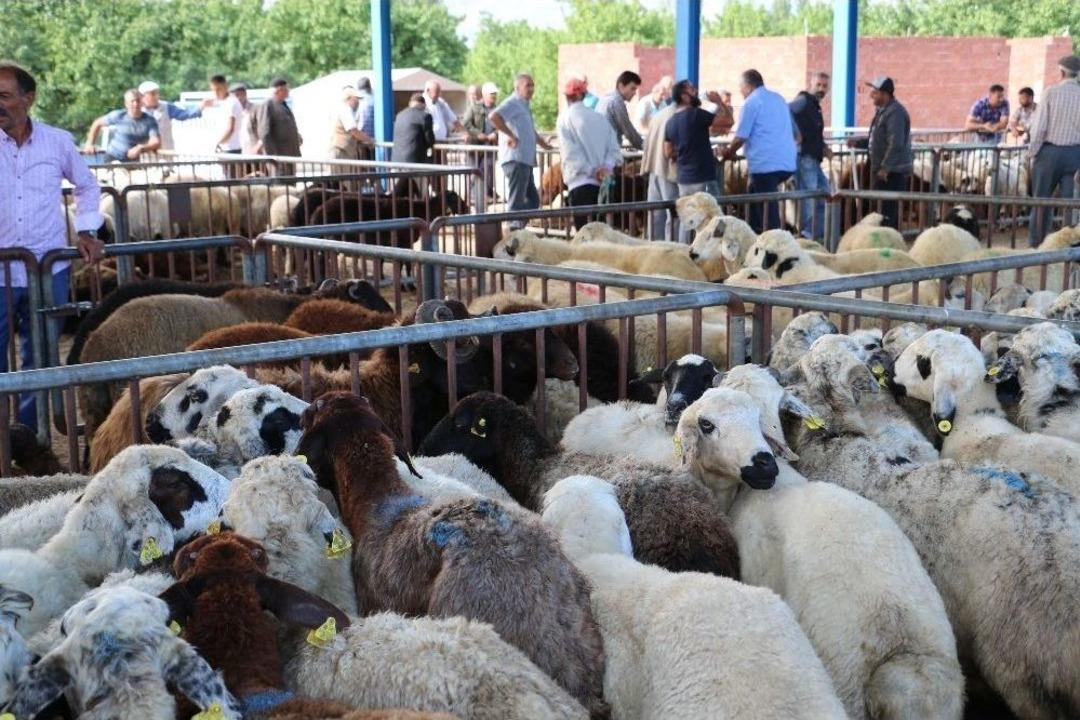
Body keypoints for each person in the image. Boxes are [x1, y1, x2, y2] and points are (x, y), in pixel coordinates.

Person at [1, 62, 104, 428]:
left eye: (5, 96)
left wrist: (87, 230)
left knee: (42, 357)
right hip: (0, 270)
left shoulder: (57, 141)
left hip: (48, 268)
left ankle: (31, 437)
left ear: (29, 99)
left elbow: (87, 185)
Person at [721, 69, 797, 233]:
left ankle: (771, 240)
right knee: (756, 197)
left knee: (766, 207)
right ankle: (758, 234)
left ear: (747, 86)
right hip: (787, 163)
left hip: (765, 165)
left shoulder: (752, 102)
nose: (740, 92)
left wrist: (728, 153)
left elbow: (741, 136)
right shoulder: (778, 98)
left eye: (740, 88)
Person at [663, 79, 734, 243]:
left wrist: (684, 151)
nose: (696, 92)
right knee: (716, 215)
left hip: (684, 179)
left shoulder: (671, 122)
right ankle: (716, 247)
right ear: (684, 96)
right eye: (692, 90)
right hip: (704, 176)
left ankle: (684, 250)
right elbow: (729, 121)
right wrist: (719, 102)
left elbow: (667, 152)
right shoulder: (697, 114)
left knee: (687, 218)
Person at [846, 76, 913, 232]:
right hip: (885, 169)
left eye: (875, 92)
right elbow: (878, 139)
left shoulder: (895, 113)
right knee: (882, 211)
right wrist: (859, 143)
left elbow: (896, 143)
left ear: (885, 94)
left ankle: (888, 243)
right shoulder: (885, 112)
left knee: (888, 212)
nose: (871, 95)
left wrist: (885, 168)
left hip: (892, 172)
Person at [1026, 55, 1080, 247]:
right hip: (1075, 154)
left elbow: (1040, 127)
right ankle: (1071, 246)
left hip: (1049, 153)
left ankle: (1037, 245)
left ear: (1062, 72)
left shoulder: (1051, 92)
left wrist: (1032, 152)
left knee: (1041, 202)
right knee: (1071, 204)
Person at [556, 78, 622, 230]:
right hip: (604, 183)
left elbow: (570, 153)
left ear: (567, 97)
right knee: (601, 232)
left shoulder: (564, 119)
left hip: (580, 181)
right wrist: (606, 167)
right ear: (583, 95)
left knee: (585, 233)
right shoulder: (599, 118)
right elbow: (614, 148)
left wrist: (592, 171)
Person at [490, 73, 553, 228]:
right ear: (517, 87)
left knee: (533, 200)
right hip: (516, 159)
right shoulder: (513, 102)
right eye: (527, 85)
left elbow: (529, 130)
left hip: (525, 160)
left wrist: (542, 144)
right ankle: (512, 232)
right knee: (517, 202)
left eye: (532, 85)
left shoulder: (523, 104)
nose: (531, 89)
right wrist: (510, 135)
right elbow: (494, 116)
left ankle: (516, 226)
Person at [789, 71, 833, 240]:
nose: (821, 89)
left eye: (825, 86)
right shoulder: (804, 101)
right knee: (810, 199)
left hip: (813, 159)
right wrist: (796, 134)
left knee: (824, 194)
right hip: (805, 158)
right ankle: (808, 236)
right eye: (819, 85)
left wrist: (823, 147)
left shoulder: (813, 105)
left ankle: (816, 235)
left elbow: (814, 133)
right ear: (811, 84)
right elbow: (786, 110)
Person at [84, 88, 161, 162]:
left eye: (138, 101)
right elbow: (97, 123)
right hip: (113, 157)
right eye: (132, 101)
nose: (135, 104)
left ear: (142, 102)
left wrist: (141, 148)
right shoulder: (119, 115)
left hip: (134, 161)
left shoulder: (149, 120)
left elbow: (155, 141)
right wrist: (90, 143)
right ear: (126, 104)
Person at [641, 98, 680, 241]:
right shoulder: (679, 117)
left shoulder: (659, 115)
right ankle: (672, 251)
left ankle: (653, 248)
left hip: (654, 169)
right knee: (674, 215)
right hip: (670, 170)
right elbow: (670, 150)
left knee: (656, 215)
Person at [137, 80, 203, 151]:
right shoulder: (137, 110)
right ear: (142, 96)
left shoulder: (166, 107)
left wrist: (200, 108)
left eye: (157, 93)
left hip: (166, 152)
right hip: (146, 153)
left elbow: (184, 114)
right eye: (152, 94)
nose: (156, 96)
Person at [391, 93, 435, 197]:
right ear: (423, 105)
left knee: (396, 195)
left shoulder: (399, 115)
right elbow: (430, 140)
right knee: (420, 194)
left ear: (410, 103)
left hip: (396, 162)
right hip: (416, 163)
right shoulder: (425, 116)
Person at [256, 77, 301, 175]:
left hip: (289, 156)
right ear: (279, 90)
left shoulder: (284, 105)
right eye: (286, 89)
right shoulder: (268, 105)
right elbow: (264, 132)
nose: (288, 91)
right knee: (280, 187)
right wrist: (272, 156)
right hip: (278, 158)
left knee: (291, 187)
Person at [462, 82, 499, 201]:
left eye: (495, 94)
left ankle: (487, 192)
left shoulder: (498, 110)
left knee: (488, 169)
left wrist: (496, 134)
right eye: (491, 94)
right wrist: (478, 134)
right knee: (474, 169)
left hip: (490, 145)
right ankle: (473, 194)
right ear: (485, 95)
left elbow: (504, 125)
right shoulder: (474, 108)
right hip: (475, 145)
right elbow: (466, 123)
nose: (493, 97)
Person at [596, 70, 643, 150]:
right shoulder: (616, 102)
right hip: (609, 151)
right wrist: (644, 145)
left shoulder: (606, 98)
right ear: (621, 86)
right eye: (632, 88)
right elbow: (628, 130)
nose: (635, 93)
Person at [330, 85, 373, 161]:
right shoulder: (345, 110)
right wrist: (369, 140)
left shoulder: (343, 109)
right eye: (356, 98)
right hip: (341, 151)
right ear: (349, 98)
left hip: (342, 151)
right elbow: (353, 131)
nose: (358, 101)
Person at [206, 74, 243, 155]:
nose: (216, 93)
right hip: (222, 149)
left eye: (218, 89)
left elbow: (230, 129)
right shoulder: (221, 103)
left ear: (225, 87)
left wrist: (218, 143)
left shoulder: (231, 103)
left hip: (231, 149)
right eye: (213, 90)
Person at [230, 82, 259, 155]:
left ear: (245, 94)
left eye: (239, 95)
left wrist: (258, 146)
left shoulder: (255, 109)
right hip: (236, 150)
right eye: (235, 96)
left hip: (252, 150)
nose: (237, 98)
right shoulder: (231, 111)